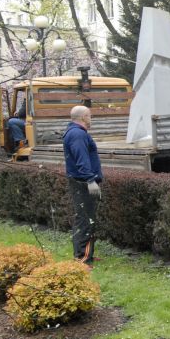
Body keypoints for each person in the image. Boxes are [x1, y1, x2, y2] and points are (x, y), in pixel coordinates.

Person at [63, 105, 103, 266]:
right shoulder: (78, 135)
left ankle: (85, 254)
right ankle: (83, 259)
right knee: (86, 220)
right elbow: (82, 160)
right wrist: (90, 181)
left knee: (85, 218)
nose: (91, 119)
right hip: (83, 183)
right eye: (90, 116)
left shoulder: (75, 133)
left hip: (81, 182)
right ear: (84, 117)